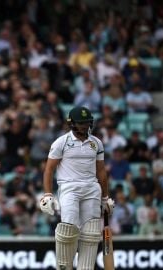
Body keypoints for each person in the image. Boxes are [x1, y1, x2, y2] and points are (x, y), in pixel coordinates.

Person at [39, 106, 114, 270]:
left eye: (87, 123)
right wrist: (47, 194)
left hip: (92, 188)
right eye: (81, 123)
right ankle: (64, 267)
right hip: (69, 188)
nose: (85, 126)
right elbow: (49, 169)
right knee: (68, 229)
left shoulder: (96, 143)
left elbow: (101, 171)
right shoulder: (61, 142)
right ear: (71, 124)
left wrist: (105, 198)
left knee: (91, 233)